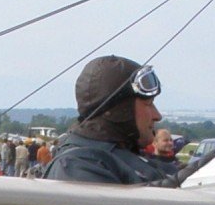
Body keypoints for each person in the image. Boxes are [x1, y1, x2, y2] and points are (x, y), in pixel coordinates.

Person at [45, 56, 181, 186]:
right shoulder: (76, 165)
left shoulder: (119, 156)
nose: (157, 115)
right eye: (148, 103)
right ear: (121, 110)